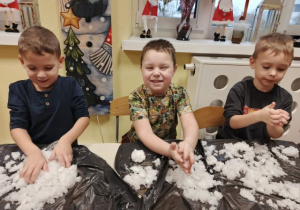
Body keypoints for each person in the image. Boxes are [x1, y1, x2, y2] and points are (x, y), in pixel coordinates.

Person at [7, 26, 90, 184]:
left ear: (60, 62)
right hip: (32, 154)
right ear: (22, 62)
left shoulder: (70, 85)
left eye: (48, 68)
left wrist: (65, 141)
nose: (41, 74)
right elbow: (17, 126)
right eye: (32, 68)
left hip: (65, 153)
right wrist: (32, 152)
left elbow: (83, 117)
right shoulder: (17, 90)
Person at [122, 39, 199, 173]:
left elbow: (189, 124)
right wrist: (169, 150)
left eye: (163, 67)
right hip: (140, 149)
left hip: (170, 147)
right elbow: (145, 133)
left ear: (174, 69)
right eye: (149, 67)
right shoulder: (136, 97)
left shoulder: (179, 93)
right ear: (141, 69)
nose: (156, 73)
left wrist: (188, 144)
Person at [217, 33, 294, 141]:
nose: (273, 73)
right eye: (266, 67)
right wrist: (259, 116)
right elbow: (231, 122)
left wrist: (273, 124)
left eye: (281, 69)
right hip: (230, 142)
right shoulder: (240, 90)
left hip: (259, 146)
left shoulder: (285, 98)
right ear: (253, 62)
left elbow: (276, 134)